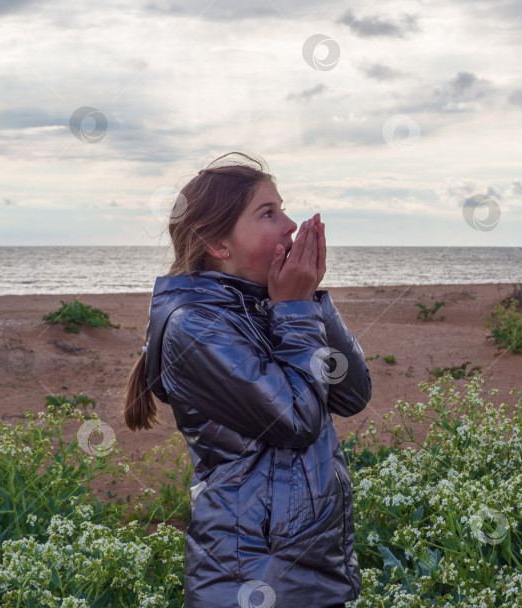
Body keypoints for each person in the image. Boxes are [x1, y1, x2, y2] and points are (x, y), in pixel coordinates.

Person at [122, 152, 372, 608]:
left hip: (314, 572)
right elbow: (296, 420)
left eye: (283, 208)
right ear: (219, 243)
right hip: (250, 579)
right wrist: (295, 309)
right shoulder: (193, 328)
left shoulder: (270, 307)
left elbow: (352, 393)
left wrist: (308, 298)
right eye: (268, 213)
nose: (291, 224)